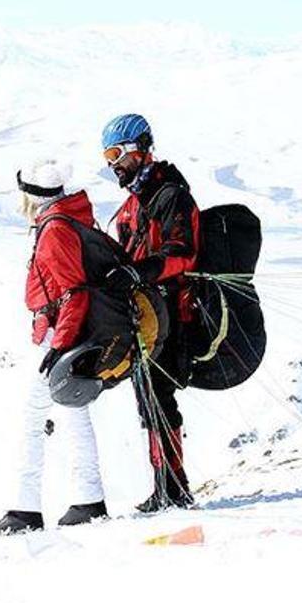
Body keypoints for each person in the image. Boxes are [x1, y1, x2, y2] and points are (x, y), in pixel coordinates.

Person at [0, 159, 109, 535]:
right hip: (66, 336)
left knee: (32, 419)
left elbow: (73, 290)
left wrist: (59, 346)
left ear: (32, 196)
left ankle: (25, 510)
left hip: (60, 338)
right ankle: (89, 500)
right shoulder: (65, 219)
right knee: (74, 415)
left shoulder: (54, 229)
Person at [101, 113, 200, 512]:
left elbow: (183, 252)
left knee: (159, 397)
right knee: (148, 399)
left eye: (116, 154)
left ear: (139, 149)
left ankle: (174, 488)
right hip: (145, 316)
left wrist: (139, 272)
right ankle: (168, 486)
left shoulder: (171, 195)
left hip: (174, 313)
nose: (112, 165)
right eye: (107, 157)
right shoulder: (132, 205)